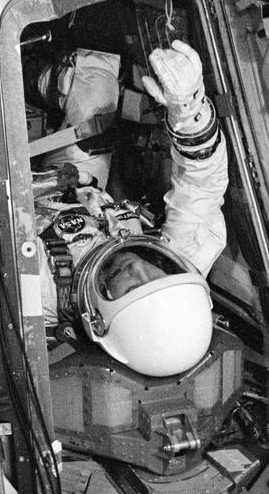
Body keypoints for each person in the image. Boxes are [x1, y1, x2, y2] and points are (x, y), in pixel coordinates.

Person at [37, 38, 228, 378]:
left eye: (133, 289)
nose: (136, 270)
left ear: (101, 315)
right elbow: (203, 185)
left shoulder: (41, 295)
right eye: (152, 277)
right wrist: (189, 111)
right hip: (79, 185)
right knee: (97, 86)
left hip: (18, 199)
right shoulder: (181, 266)